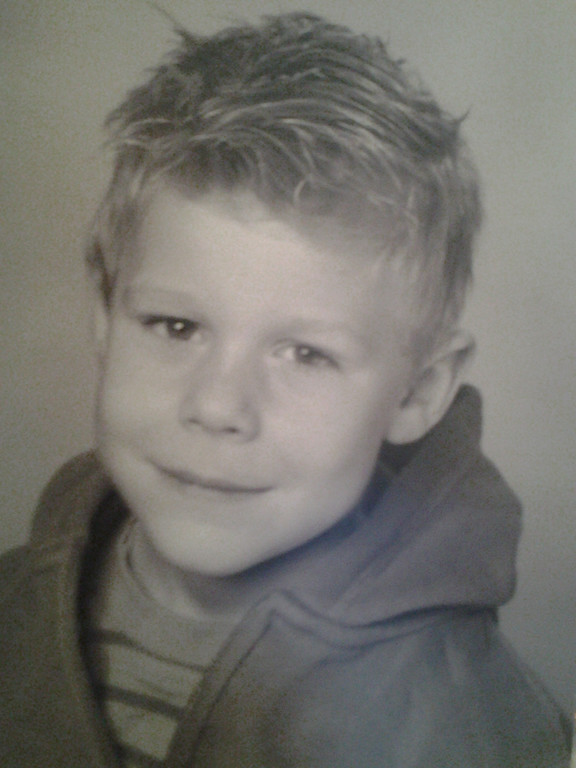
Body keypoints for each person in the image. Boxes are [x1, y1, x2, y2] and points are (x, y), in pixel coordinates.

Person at [0, 11, 570, 768]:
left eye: (305, 354)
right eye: (176, 326)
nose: (218, 407)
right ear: (106, 315)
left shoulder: (479, 731)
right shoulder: (13, 610)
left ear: (418, 392)